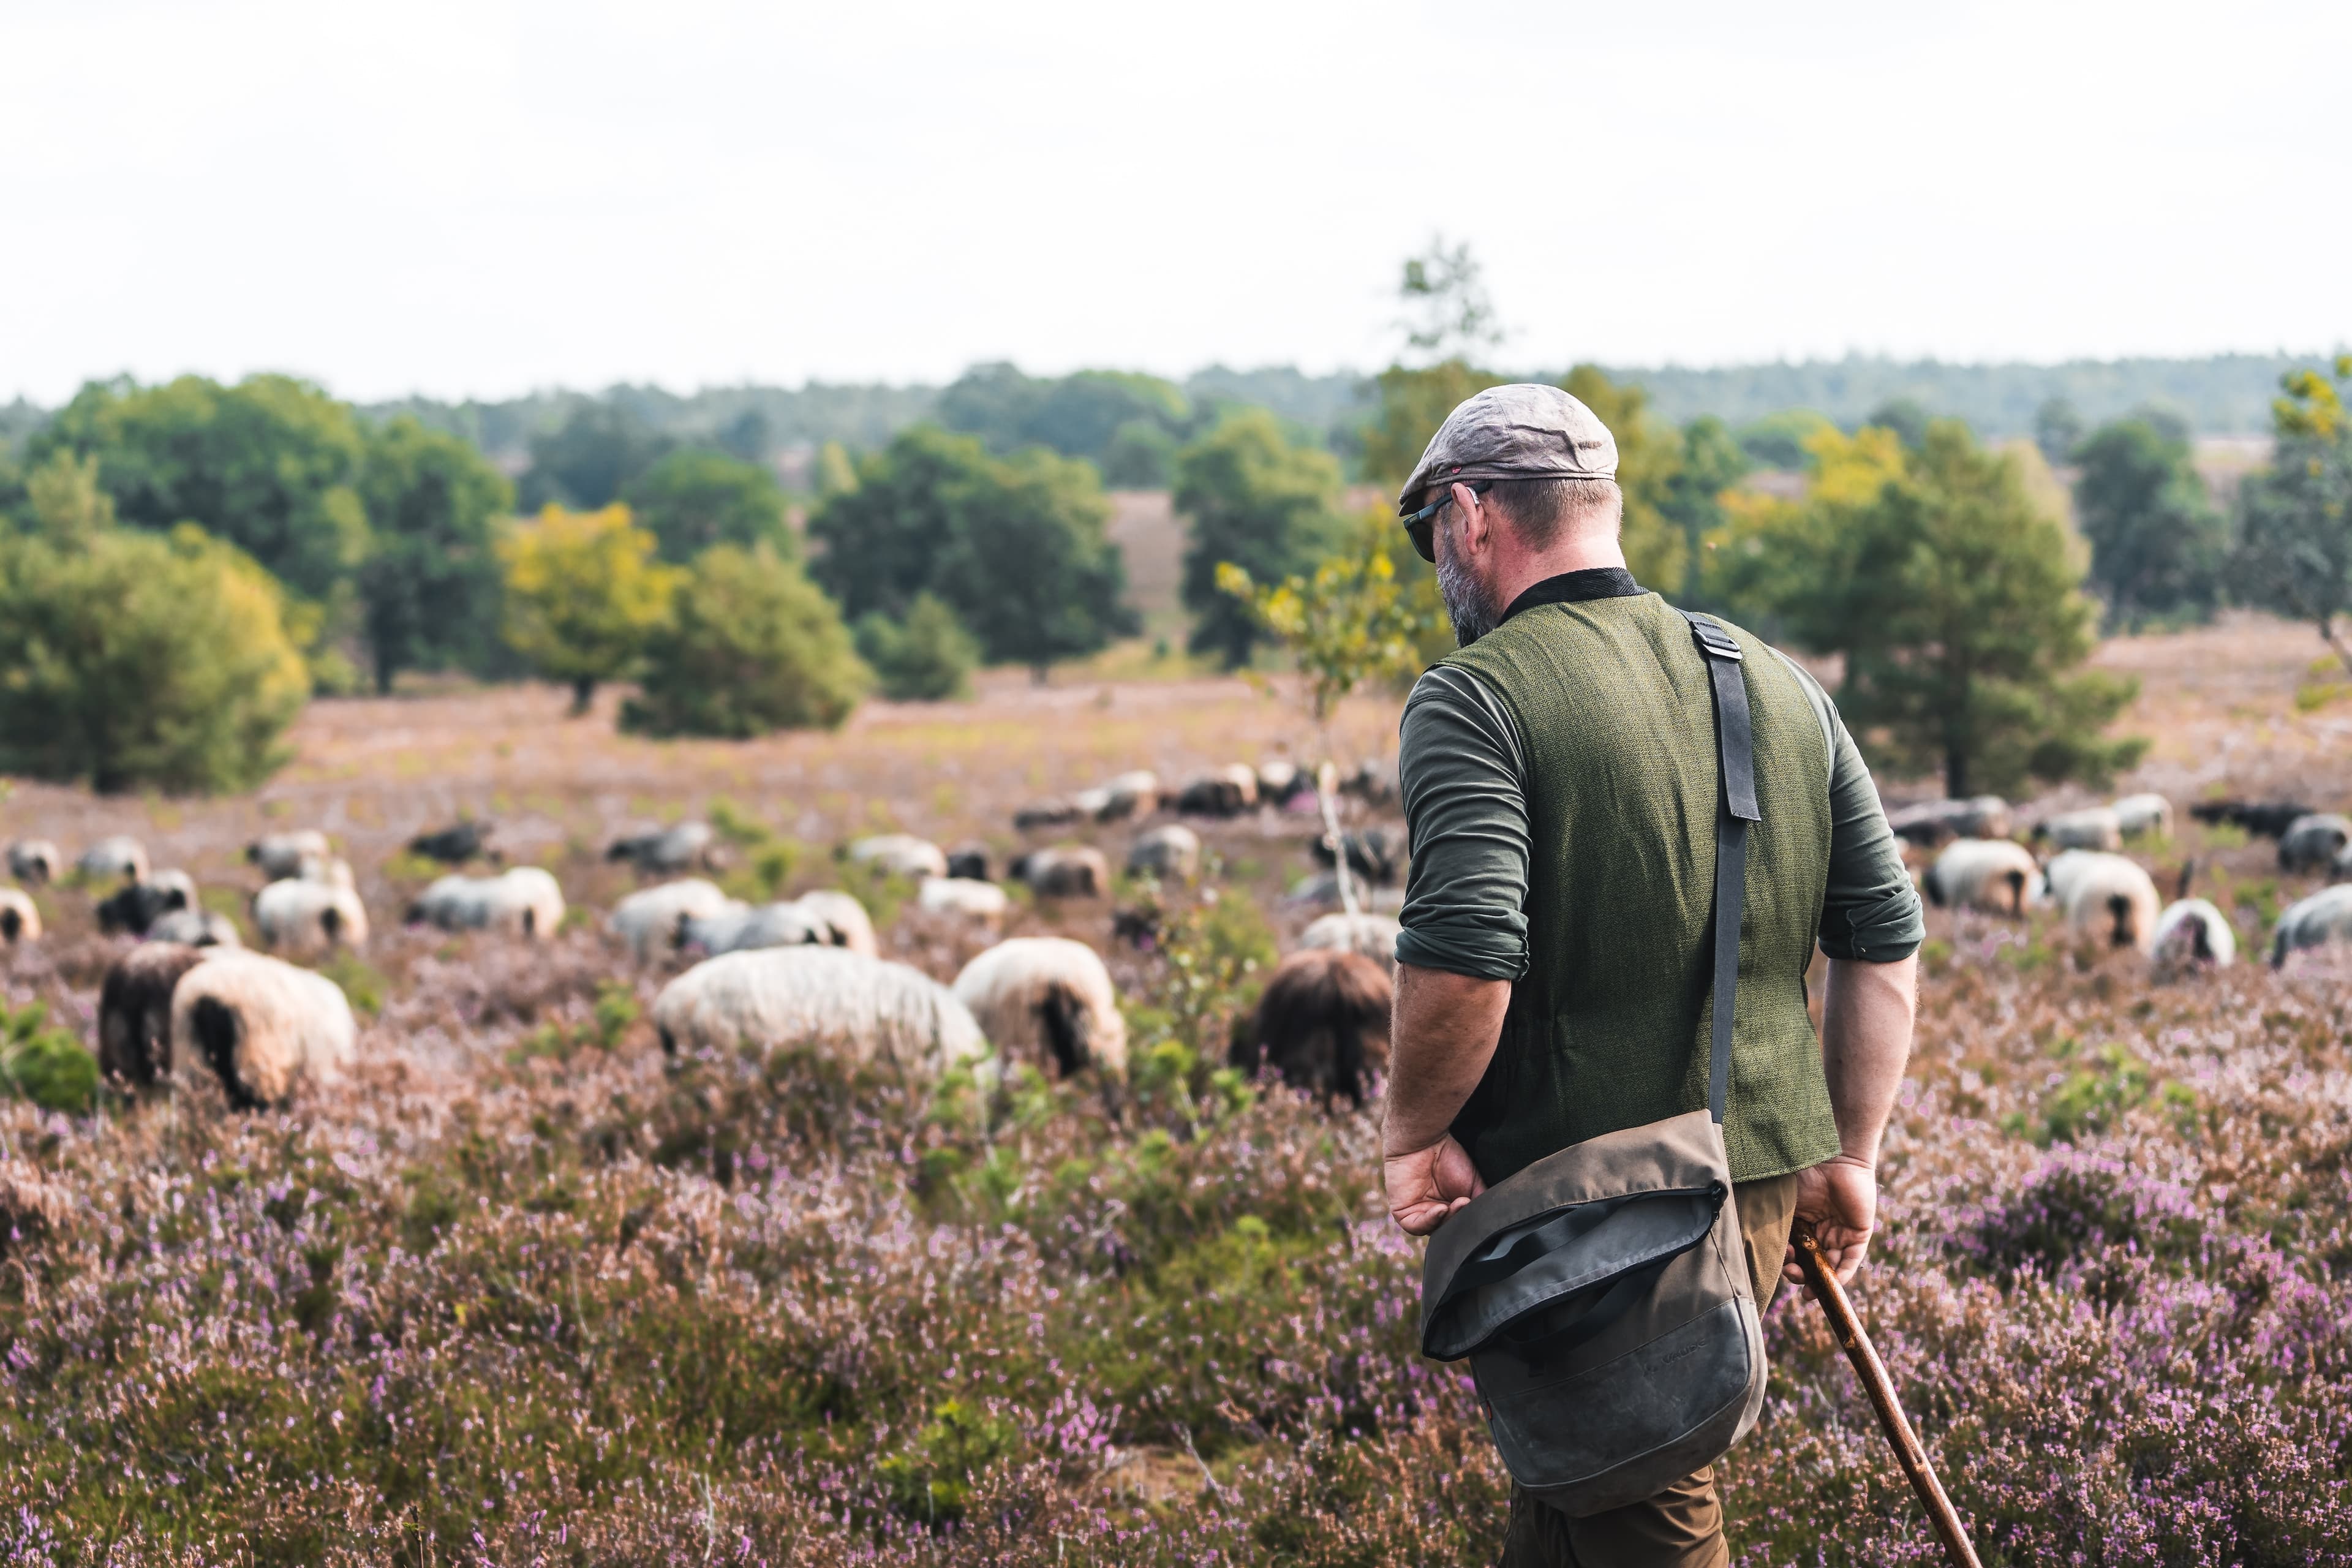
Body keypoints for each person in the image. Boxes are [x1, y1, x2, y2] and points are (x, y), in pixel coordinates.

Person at [1381, 385, 1923, 1567]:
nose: (1435, 559)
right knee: (1581, 1494)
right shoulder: (1776, 681)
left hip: (1580, 1207)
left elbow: (1467, 957)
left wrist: (1413, 1136)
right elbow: (1882, 939)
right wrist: (1849, 1154)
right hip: (1763, 1178)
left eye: (1430, 531)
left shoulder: (1475, 696)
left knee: (1646, 1515)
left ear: (1473, 516)